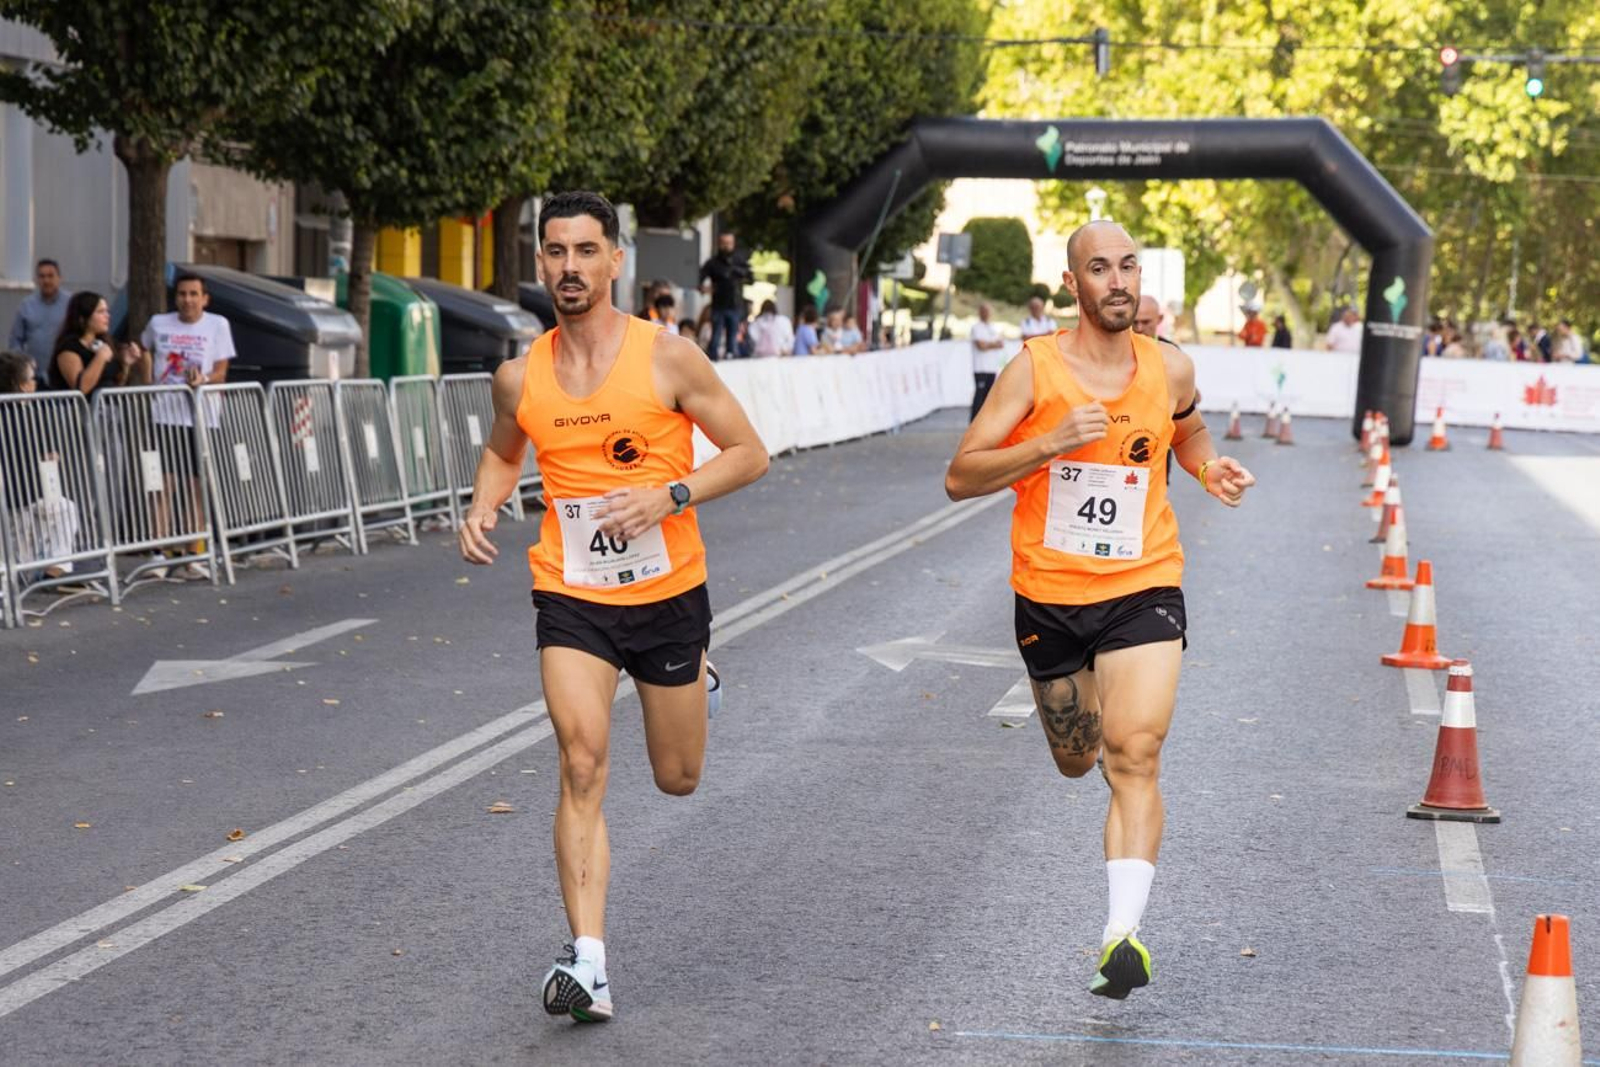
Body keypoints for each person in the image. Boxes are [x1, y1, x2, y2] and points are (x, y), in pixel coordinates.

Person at [456, 192, 768, 1025]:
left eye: (585, 251)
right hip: (573, 593)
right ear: (540, 263)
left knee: (677, 776)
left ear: (615, 260)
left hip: (666, 594)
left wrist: (671, 492)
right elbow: (502, 446)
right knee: (582, 757)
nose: (568, 267)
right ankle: (587, 960)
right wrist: (484, 502)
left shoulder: (668, 358)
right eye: (554, 252)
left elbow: (749, 454)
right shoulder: (520, 376)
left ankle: (696, 675)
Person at [943, 220, 1256, 1002]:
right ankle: (1119, 912)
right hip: (1051, 595)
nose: (1117, 281)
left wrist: (1208, 465)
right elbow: (961, 476)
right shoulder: (1033, 371)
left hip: (1143, 584)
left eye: (1127, 267)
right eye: (1099, 269)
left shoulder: (1170, 366)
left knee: (1135, 751)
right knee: (1077, 758)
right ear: (1073, 283)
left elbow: (1187, 427)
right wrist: (1049, 442)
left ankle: (1123, 936)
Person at [141, 271, 235, 580]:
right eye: (182, 294)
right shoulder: (158, 323)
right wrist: (146, 380)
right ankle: (159, 551)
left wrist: (204, 379)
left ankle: (193, 553)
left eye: (194, 294)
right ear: (175, 297)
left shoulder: (218, 325)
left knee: (196, 486)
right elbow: (144, 349)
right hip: (164, 414)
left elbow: (222, 369)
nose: (188, 300)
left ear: (205, 298)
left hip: (201, 415)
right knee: (163, 484)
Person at [0, 349, 82, 580]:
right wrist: (47, 459)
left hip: (24, 497)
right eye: (32, 379)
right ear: (22, 385)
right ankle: (54, 569)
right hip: (23, 497)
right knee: (63, 511)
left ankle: (53, 569)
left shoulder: (22, 413)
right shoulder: (20, 416)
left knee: (63, 510)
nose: (36, 384)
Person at [48, 291, 142, 398]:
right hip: (82, 411)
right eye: (100, 312)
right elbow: (81, 388)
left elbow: (115, 383)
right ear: (83, 318)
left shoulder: (106, 342)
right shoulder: (69, 348)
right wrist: (100, 358)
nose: (107, 316)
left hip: (109, 409)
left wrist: (126, 364)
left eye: (107, 311)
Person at [8, 259, 73, 381]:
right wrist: (24, 365)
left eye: (50, 276)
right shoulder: (26, 305)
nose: (46, 280)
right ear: (37, 279)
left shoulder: (71, 304)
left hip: (64, 375)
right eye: (42, 276)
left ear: (59, 278)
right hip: (34, 376)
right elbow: (15, 340)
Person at [698, 231, 752, 361]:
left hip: (734, 305)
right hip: (719, 305)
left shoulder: (739, 261)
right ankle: (713, 358)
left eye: (729, 243)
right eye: (723, 243)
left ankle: (731, 356)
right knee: (716, 336)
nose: (726, 246)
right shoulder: (712, 263)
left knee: (732, 336)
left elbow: (751, 277)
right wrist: (705, 289)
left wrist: (738, 273)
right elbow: (699, 278)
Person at [969, 302, 1006, 421]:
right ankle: (974, 421)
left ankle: (984, 421)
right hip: (980, 368)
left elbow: (1000, 344)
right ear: (980, 313)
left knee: (988, 397)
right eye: (983, 311)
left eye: (988, 311)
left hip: (991, 368)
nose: (986, 314)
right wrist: (993, 344)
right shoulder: (976, 327)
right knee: (979, 396)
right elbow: (981, 346)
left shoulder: (992, 327)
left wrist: (989, 344)